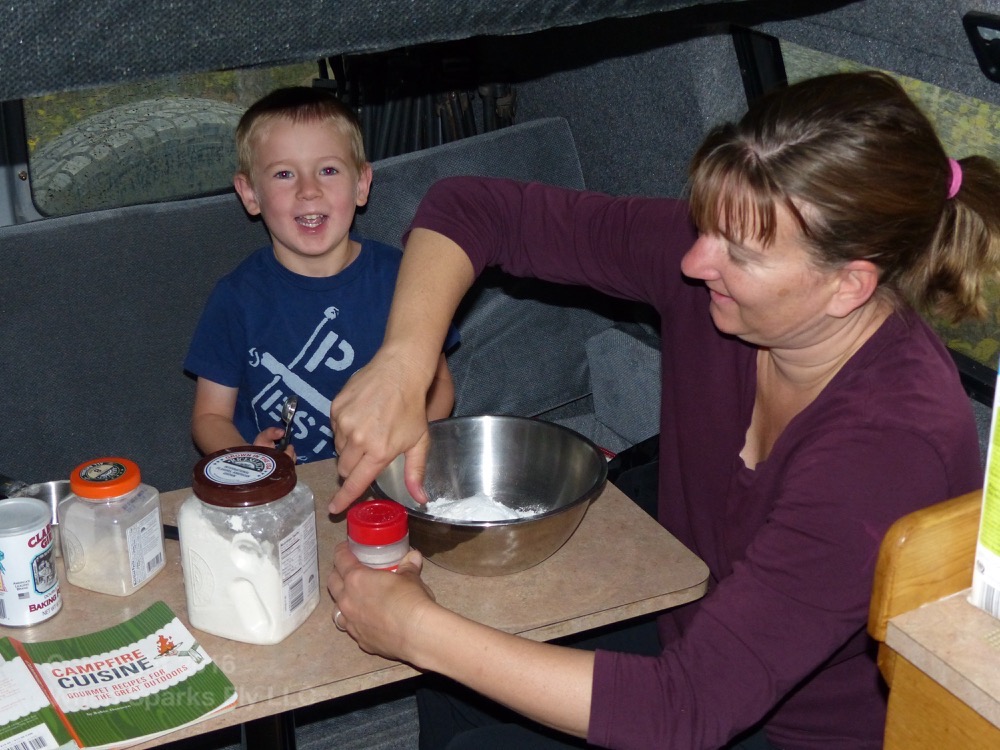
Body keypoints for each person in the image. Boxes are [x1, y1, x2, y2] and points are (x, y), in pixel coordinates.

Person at [325, 71, 1000, 749]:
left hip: (787, 732)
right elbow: (471, 208)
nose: (694, 259)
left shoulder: (889, 444)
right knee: (454, 689)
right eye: (707, 223)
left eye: (737, 252)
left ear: (848, 285)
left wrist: (413, 630)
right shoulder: (725, 274)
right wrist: (404, 364)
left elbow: (686, 710)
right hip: (695, 618)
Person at [184, 87, 456, 463]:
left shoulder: (405, 278)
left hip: (389, 477)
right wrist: (247, 460)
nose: (308, 191)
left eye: (328, 170)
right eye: (283, 174)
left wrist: (404, 441)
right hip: (278, 493)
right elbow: (209, 417)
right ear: (250, 194)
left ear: (361, 184)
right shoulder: (236, 298)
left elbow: (440, 384)